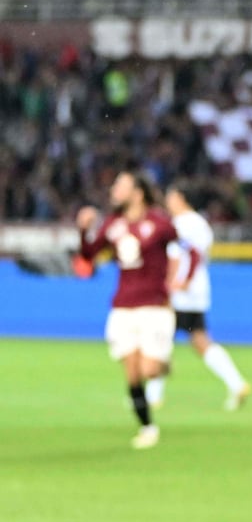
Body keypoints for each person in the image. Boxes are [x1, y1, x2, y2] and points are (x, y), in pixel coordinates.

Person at [76, 170, 180, 450]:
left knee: (150, 369)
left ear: (137, 192)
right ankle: (148, 426)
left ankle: (163, 363)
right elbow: (88, 255)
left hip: (154, 306)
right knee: (133, 374)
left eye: (120, 185)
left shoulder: (160, 224)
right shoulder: (113, 224)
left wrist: (173, 281)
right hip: (123, 306)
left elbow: (180, 250)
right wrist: (84, 229)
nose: (114, 190)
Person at [141, 181, 252, 411]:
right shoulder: (201, 224)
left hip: (180, 292)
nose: (168, 202)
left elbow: (186, 255)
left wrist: (176, 282)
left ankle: (152, 396)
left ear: (181, 198)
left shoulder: (181, 224)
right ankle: (236, 383)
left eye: (171, 197)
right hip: (197, 293)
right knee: (199, 339)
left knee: (160, 337)